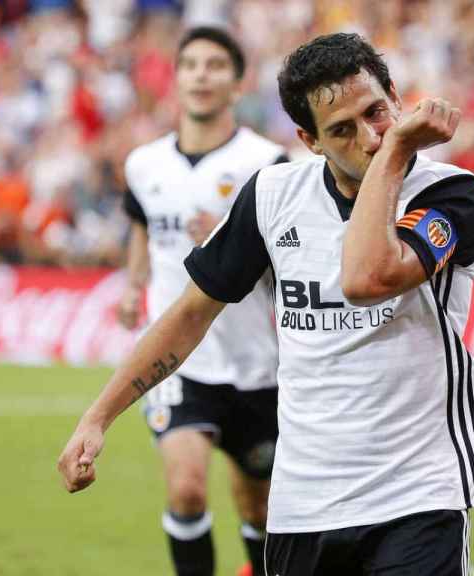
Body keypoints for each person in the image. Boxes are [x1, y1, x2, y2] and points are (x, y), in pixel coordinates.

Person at [60, 32, 474, 576]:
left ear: (397, 98)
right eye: (341, 130)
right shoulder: (272, 196)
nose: (370, 137)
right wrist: (97, 418)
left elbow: (367, 275)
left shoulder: (452, 194)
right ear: (309, 141)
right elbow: (191, 311)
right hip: (303, 501)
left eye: (377, 112)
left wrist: (396, 152)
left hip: (418, 492)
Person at [115, 26, 286, 576]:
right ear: (177, 79)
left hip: (255, 363)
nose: (201, 75)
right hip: (180, 361)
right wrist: (133, 284)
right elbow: (142, 224)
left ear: (237, 84)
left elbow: (295, 256)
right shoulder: (144, 164)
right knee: (186, 490)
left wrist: (236, 237)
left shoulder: (269, 163)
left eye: (215, 66)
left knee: (259, 508)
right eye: (190, 65)